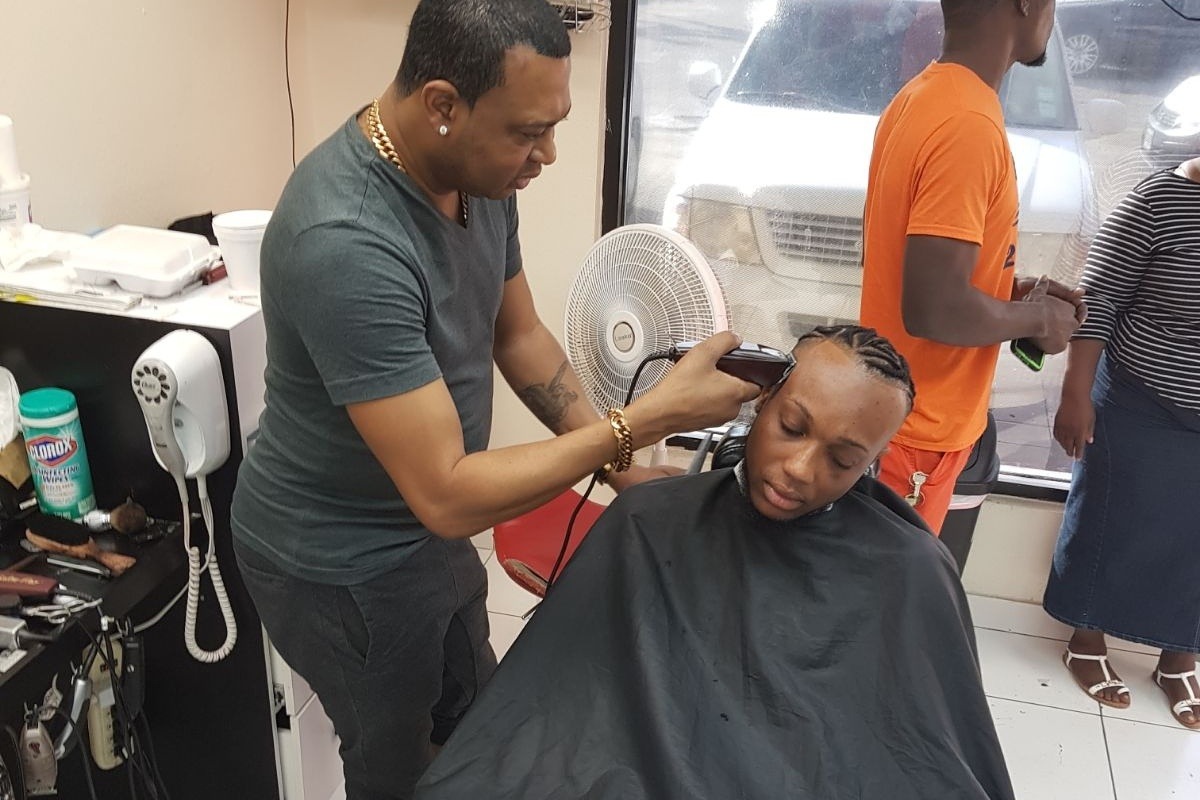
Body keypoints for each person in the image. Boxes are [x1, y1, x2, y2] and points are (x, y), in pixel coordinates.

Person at [228, 2, 760, 798]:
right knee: (398, 766)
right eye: (527, 133)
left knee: (478, 720)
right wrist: (642, 422)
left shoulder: (477, 173)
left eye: (554, 127)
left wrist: (622, 467)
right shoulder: (345, 242)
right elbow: (446, 494)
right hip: (339, 564)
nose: (546, 154)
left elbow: (519, 336)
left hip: (428, 529)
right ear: (443, 105)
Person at [416, 326, 1016, 800]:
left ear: (872, 465)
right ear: (760, 399)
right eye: (792, 428)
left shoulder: (911, 568)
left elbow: (924, 752)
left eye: (842, 460)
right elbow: (560, 705)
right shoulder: (650, 519)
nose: (800, 469)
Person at [859, 0, 1086, 533]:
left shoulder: (923, 96)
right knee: (892, 587)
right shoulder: (968, 124)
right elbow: (933, 309)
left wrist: (1010, 291)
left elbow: (919, 271)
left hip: (898, 419)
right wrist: (1039, 319)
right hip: (916, 436)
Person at [1043, 156, 1200, 730]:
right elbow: (1099, 301)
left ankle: (1180, 656)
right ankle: (1086, 639)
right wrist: (1075, 394)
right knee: (1112, 516)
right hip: (1141, 395)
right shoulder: (1156, 203)